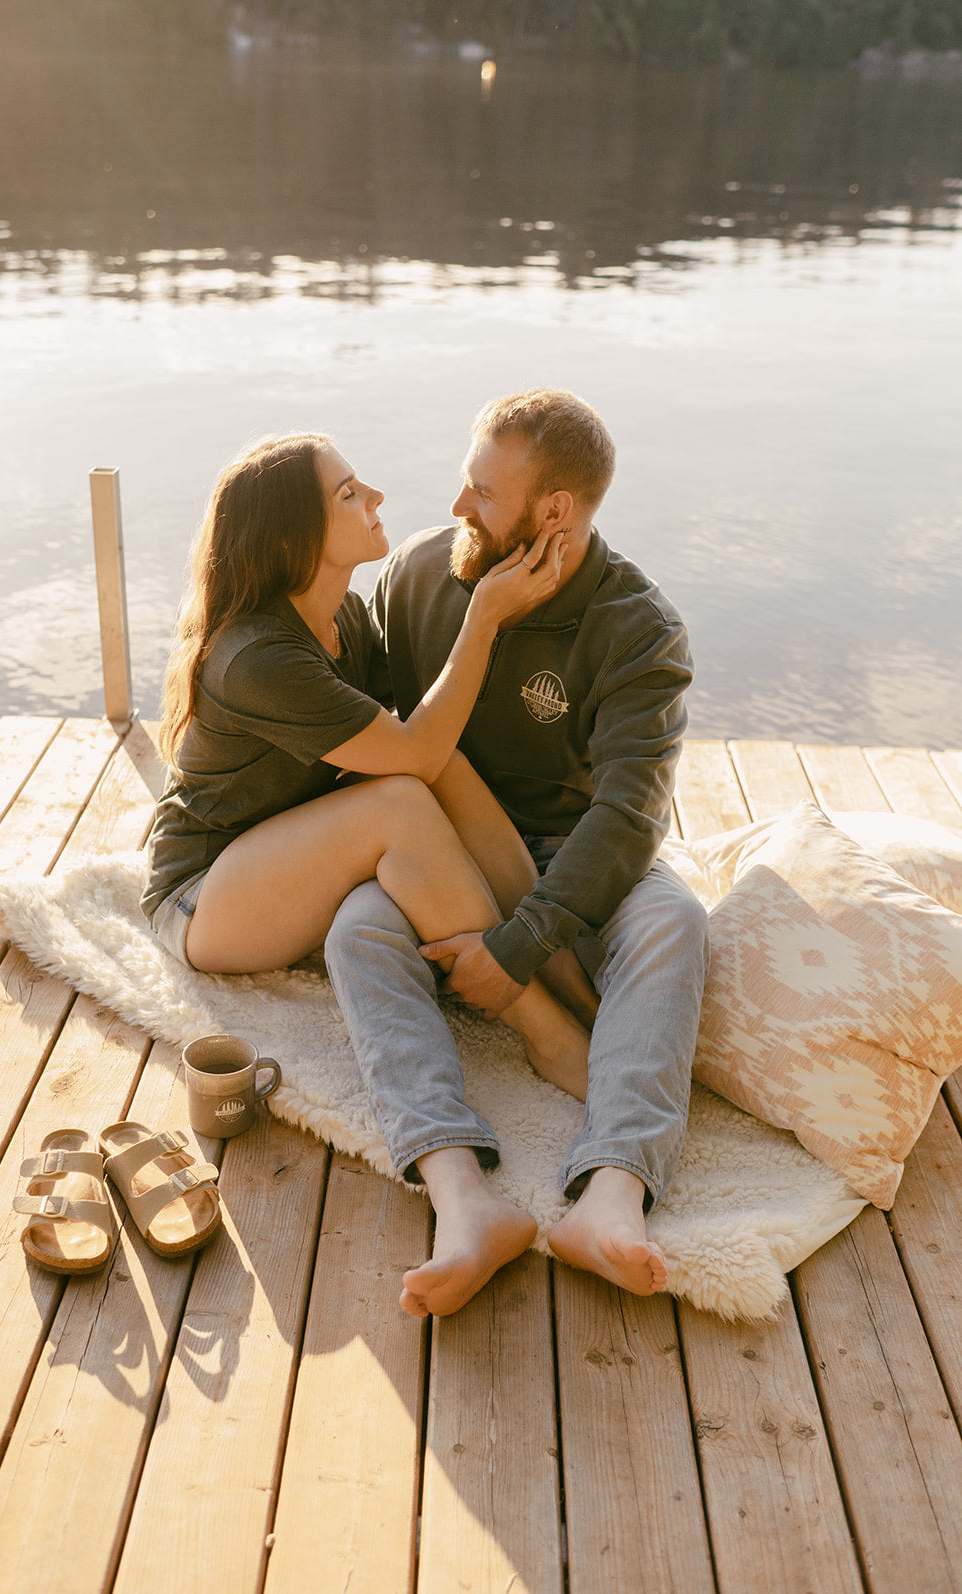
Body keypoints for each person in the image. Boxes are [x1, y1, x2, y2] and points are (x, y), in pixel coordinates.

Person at [323, 389, 711, 1318]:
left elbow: (626, 820)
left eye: (483, 494)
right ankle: (463, 1196)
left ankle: (611, 1194)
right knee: (355, 934)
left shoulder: (637, 629)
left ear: (554, 513)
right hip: (439, 847)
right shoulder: (419, 573)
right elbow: (371, 740)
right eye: (465, 483)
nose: (458, 507)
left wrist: (519, 946)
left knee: (675, 923)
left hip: (575, 853)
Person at [140, 431, 593, 1122]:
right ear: (295, 534)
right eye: (348, 493)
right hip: (202, 900)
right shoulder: (258, 657)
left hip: (282, 849)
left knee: (445, 772)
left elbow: (426, 741)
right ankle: (545, 1030)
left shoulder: (339, 617)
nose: (376, 496)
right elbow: (409, 754)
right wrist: (484, 620)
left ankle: (571, 982)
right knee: (402, 803)